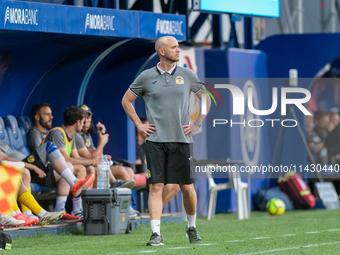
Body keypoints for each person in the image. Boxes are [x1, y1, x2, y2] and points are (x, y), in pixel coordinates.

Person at [122, 36, 211, 246]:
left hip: (182, 141)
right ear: (162, 52)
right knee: (156, 186)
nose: (178, 50)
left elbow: (206, 97)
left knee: (187, 188)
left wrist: (197, 123)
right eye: (174, 48)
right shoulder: (145, 77)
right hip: (155, 141)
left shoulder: (187, 74)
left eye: (178, 47)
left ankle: (191, 227)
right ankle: (156, 234)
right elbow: (126, 100)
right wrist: (139, 125)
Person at [75, 104, 135, 187]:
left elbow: (97, 154)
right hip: (84, 167)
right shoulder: (76, 134)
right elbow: (91, 157)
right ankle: (113, 184)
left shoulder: (87, 135)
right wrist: (102, 142)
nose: (86, 121)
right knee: (121, 171)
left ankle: (121, 196)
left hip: (92, 165)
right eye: (83, 117)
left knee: (129, 171)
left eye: (88, 117)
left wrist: (101, 137)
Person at [136, 117, 180, 207]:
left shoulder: (146, 144)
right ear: (139, 128)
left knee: (175, 185)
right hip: (140, 175)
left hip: (149, 174)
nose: (151, 130)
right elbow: (137, 166)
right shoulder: (134, 144)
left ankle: (156, 211)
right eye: (148, 126)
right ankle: (154, 211)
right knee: (167, 186)